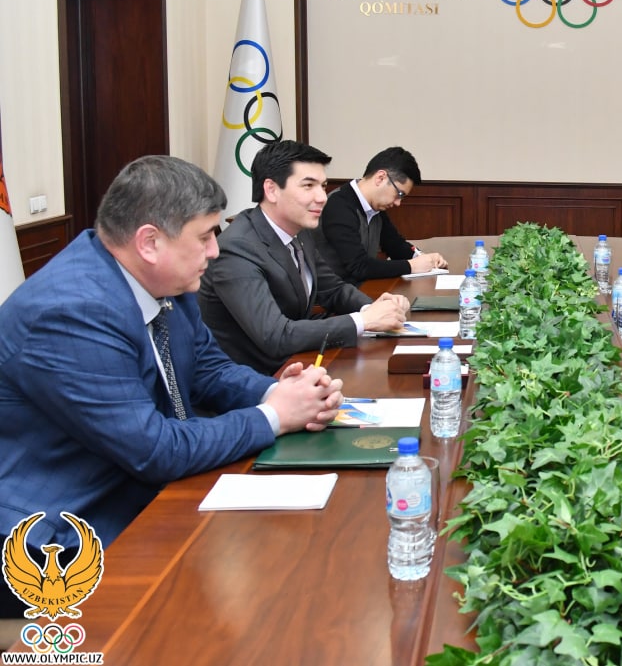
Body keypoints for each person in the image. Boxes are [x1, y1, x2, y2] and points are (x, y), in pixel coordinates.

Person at [0, 155, 343, 620]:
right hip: (59, 537)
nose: (215, 250)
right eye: (204, 236)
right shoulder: (70, 312)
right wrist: (275, 416)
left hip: (139, 493)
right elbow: (155, 449)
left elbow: (208, 369)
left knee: (287, 568)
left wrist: (278, 392)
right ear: (149, 242)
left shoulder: (162, 281)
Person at [199, 140, 408, 374]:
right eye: (308, 186)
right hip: (256, 379)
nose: (322, 197)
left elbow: (333, 290)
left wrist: (374, 307)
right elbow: (275, 336)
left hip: (299, 362)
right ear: (271, 190)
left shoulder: (298, 231)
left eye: (323, 186)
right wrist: (364, 321)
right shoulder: (237, 249)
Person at [314, 146, 447, 284]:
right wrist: (411, 266)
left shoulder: (375, 207)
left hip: (359, 288)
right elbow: (358, 266)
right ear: (380, 178)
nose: (398, 203)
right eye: (399, 194)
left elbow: (395, 245)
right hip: (335, 293)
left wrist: (423, 258)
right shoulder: (338, 206)